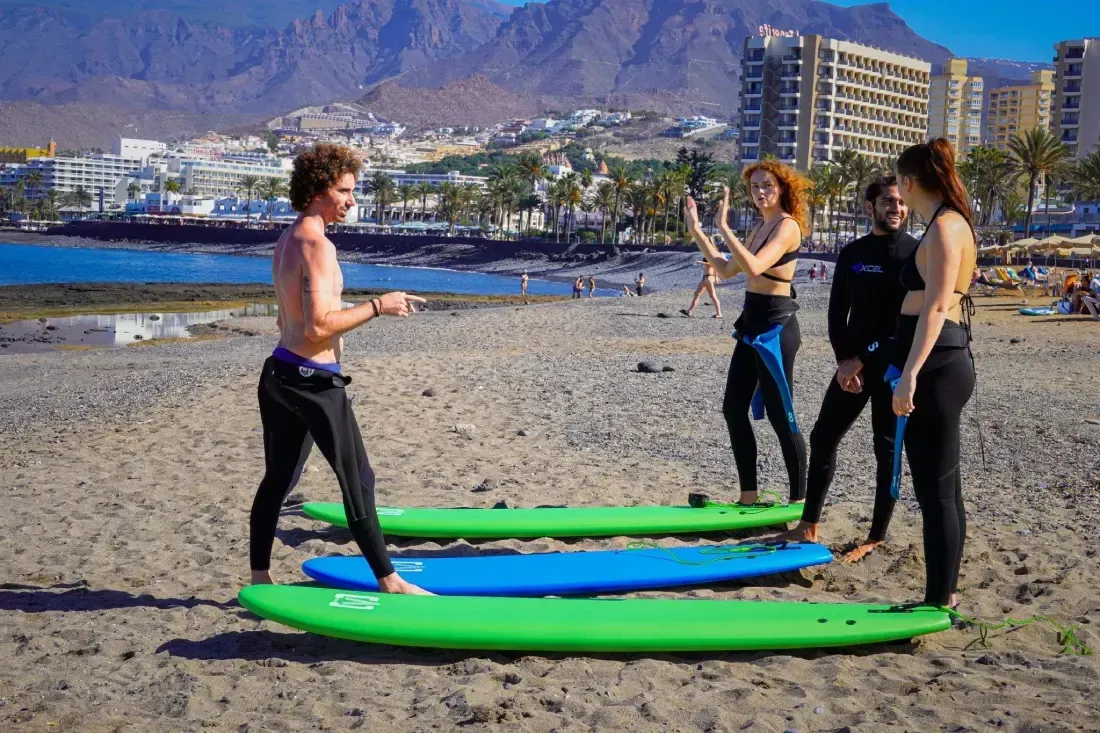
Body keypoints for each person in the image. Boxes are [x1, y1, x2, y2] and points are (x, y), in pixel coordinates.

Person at [249, 144, 430, 595]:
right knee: (359, 479)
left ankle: (260, 576)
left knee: (279, 479)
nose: (352, 200)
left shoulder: (289, 238)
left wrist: (350, 313)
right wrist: (377, 306)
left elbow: (288, 318)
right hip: (312, 380)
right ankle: (390, 581)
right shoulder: (318, 245)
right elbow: (317, 326)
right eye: (344, 190)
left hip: (279, 373)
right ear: (318, 190)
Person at [784, 177, 918, 562]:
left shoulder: (914, 254)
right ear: (869, 207)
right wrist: (844, 360)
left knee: (886, 451)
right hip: (852, 370)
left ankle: (876, 536)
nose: (896, 208)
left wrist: (862, 357)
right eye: (888, 202)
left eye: (902, 202)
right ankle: (809, 523)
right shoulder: (853, 253)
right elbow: (835, 312)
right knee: (823, 436)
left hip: (893, 368)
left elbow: (902, 324)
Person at [683, 159, 809, 505]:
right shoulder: (758, 228)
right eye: (755, 187)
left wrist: (723, 227)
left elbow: (754, 266)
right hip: (751, 325)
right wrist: (697, 230)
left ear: (781, 187)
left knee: (783, 417)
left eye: (767, 185)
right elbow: (725, 270)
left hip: (776, 328)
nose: (760, 192)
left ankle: (801, 505)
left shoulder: (787, 227)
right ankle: (748, 497)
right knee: (733, 409)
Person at [891, 138, 978, 609]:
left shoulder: (945, 227)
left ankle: (938, 599)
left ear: (907, 183)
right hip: (941, 360)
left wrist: (910, 375)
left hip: (939, 364)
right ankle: (944, 591)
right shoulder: (948, 222)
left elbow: (939, 306)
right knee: (940, 488)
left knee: (938, 491)